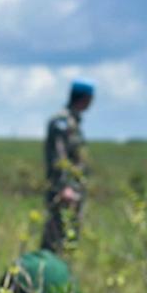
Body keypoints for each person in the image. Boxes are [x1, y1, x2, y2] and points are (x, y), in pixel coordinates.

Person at [42, 80, 94, 253]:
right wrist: (64, 187)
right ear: (85, 98)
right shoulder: (61, 121)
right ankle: (46, 268)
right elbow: (59, 156)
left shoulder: (73, 121)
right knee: (55, 236)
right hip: (64, 191)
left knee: (68, 239)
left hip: (74, 189)